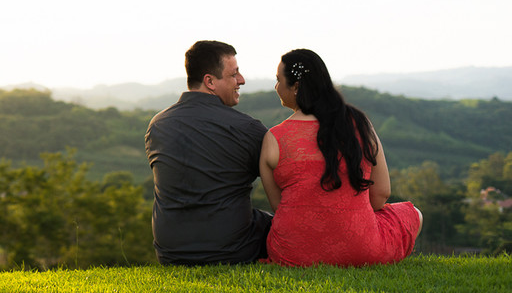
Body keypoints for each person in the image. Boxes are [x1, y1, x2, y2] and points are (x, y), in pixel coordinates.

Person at [260, 48, 422, 266]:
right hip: (360, 249)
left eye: (278, 80)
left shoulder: (273, 138)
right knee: (414, 214)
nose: (276, 87)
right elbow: (381, 195)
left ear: (296, 87)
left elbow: (279, 207)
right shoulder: (359, 123)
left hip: (294, 253)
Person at [145, 40, 273, 265]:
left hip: (171, 254)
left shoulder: (157, 125)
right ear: (210, 81)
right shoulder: (247, 129)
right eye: (234, 74)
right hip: (232, 251)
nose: (241, 80)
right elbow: (286, 183)